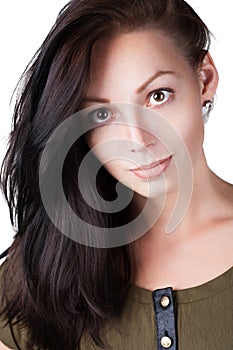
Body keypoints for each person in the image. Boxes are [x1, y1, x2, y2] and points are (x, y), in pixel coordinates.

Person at [0, 0, 232, 349]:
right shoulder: (43, 267)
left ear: (205, 79)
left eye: (158, 96)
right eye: (103, 116)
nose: (138, 141)